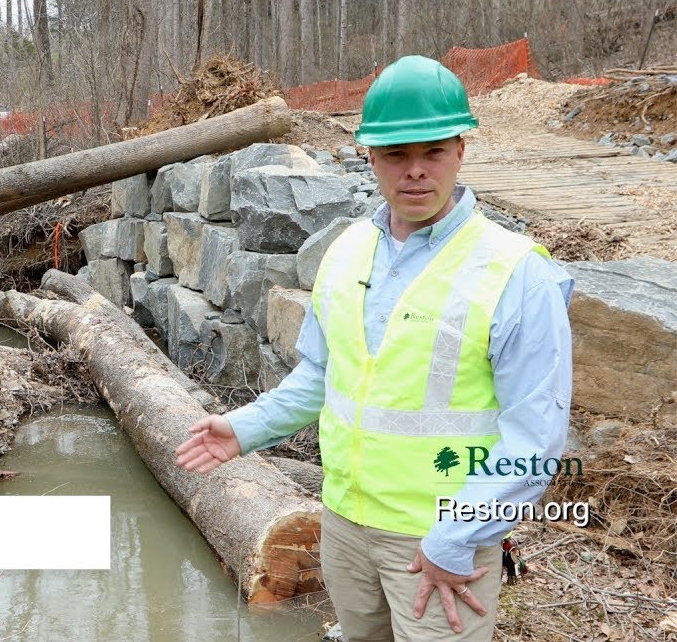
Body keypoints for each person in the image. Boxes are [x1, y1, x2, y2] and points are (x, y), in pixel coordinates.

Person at [174, 55, 574, 641]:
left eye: (433, 152)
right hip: (346, 526)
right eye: (396, 155)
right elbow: (322, 375)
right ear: (369, 156)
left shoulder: (515, 272)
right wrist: (246, 428)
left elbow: (535, 440)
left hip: (440, 539)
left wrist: (454, 539)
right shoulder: (348, 251)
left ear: (461, 150)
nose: (415, 172)